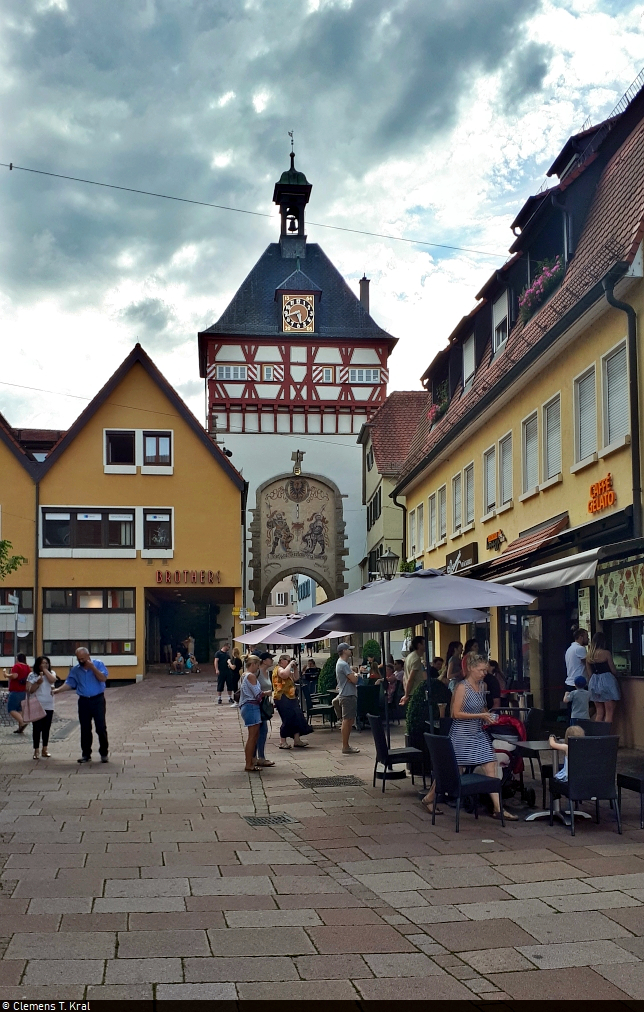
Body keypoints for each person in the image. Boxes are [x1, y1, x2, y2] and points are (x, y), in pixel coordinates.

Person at [426, 652, 517, 821]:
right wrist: (480, 717)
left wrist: (486, 714)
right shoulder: (462, 687)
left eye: (485, 670)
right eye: (481, 670)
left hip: (477, 733)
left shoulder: (481, 685)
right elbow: (455, 713)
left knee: (491, 764)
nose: (484, 673)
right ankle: (430, 797)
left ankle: (498, 808)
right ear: (470, 669)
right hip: (461, 735)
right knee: (455, 771)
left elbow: (481, 706)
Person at [53, 647, 109, 764]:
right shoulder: (76, 670)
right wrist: (58, 690)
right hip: (83, 701)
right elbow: (69, 683)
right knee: (85, 728)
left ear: (88, 656)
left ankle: (104, 753)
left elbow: (102, 678)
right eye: (79, 659)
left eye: (83, 659)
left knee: (101, 727)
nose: (81, 661)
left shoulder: (98, 664)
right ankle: (86, 754)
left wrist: (92, 668)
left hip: (97, 699)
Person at [272, 654, 312, 749]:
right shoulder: (278, 669)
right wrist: (290, 664)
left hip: (291, 697)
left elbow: (295, 678)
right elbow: (284, 675)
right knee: (287, 719)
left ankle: (297, 740)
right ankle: (282, 741)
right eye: (287, 660)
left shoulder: (288, 668)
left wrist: (295, 668)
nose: (289, 662)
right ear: (282, 660)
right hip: (282, 697)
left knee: (297, 717)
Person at [586, 631, 621, 723]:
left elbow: (589, 673)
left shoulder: (589, 655)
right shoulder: (606, 653)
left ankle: (598, 735)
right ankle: (606, 735)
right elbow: (613, 670)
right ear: (603, 641)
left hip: (594, 682)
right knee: (609, 713)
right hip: (607, 682)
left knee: (599, 713)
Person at [239, 655, 265, 772]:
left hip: (247, 706)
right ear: (253, 664)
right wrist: (268, 693)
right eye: (257, 665)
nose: (258, 667)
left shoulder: (244, 675)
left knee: (253, 736)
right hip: (251, 706)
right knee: (252, 736)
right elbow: (258, 694)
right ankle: (249, 763)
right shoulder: (251, 676)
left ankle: (251, 761)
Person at [27, 656, 56, 759]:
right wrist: (37, 683)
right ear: (38, 664)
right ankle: (36, 750)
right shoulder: (32, 675)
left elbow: (53, 680)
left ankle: (45, 749)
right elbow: (29, 690)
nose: (45, 665)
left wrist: (45, 671)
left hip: (49, 704)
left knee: (46, 728)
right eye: (42, 663)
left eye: (46, 663)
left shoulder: (51, 673)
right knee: (36, 728)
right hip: (36, 704)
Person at [333, 643, 360, 755]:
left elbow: (351, 678)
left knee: (349, 719)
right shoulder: (343, 664)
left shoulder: (342, 664)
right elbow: (354, 680)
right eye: (349, 649)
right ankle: (345, 746)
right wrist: (357, 675)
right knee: (347, 720)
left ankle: (346, 745)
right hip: (347, 694)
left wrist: (353, 675)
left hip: (346, 694)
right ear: (344, 651)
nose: (350, 651)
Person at [255, 652, 276, 767]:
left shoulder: (268, 672)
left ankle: (259, 757)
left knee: (262, 731)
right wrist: (266, 693)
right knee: (259, 731)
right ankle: (258, 757)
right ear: (263, 661)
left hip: (264, 705)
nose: (272, 661)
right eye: (270, 659)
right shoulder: (257, 672)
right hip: (256, 705)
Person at [7, 652, 30, 733]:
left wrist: (6, 675)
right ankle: (20, 728)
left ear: (17, 658)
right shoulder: (27, 667)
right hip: (23, 691)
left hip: (15, 690)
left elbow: (14, 676)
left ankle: (23, 722)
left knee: (11, 709)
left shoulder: (17, 666)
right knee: (19, 709)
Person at [401, 636, 426, 704]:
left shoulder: (409, 657)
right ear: (419, 645)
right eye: (424, 643)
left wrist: (406, 692)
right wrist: (406, 695)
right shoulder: (416, 659)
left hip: (410, 691)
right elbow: (411, 678)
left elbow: (404, 677)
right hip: (415, 691)